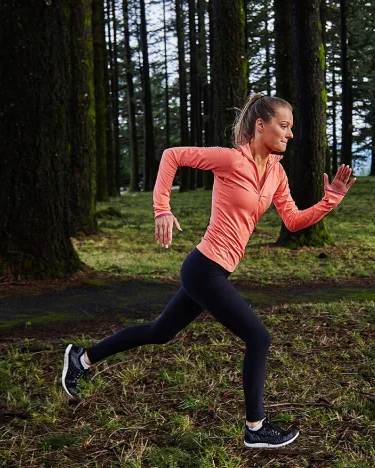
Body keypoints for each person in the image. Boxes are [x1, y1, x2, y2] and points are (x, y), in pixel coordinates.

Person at [61, 93, 356, 449]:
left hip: (215, 271)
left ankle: (82, 357)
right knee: (258, 338)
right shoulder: (231, 160)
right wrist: (162, 208)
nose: (290, 134)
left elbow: (293, 222)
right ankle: (255, 428)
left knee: (159, 332)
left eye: (291, 127)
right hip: (205, 270)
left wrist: (331, 199)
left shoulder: (276, 173)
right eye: (284, 125)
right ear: (260, 126)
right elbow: (173, 156)